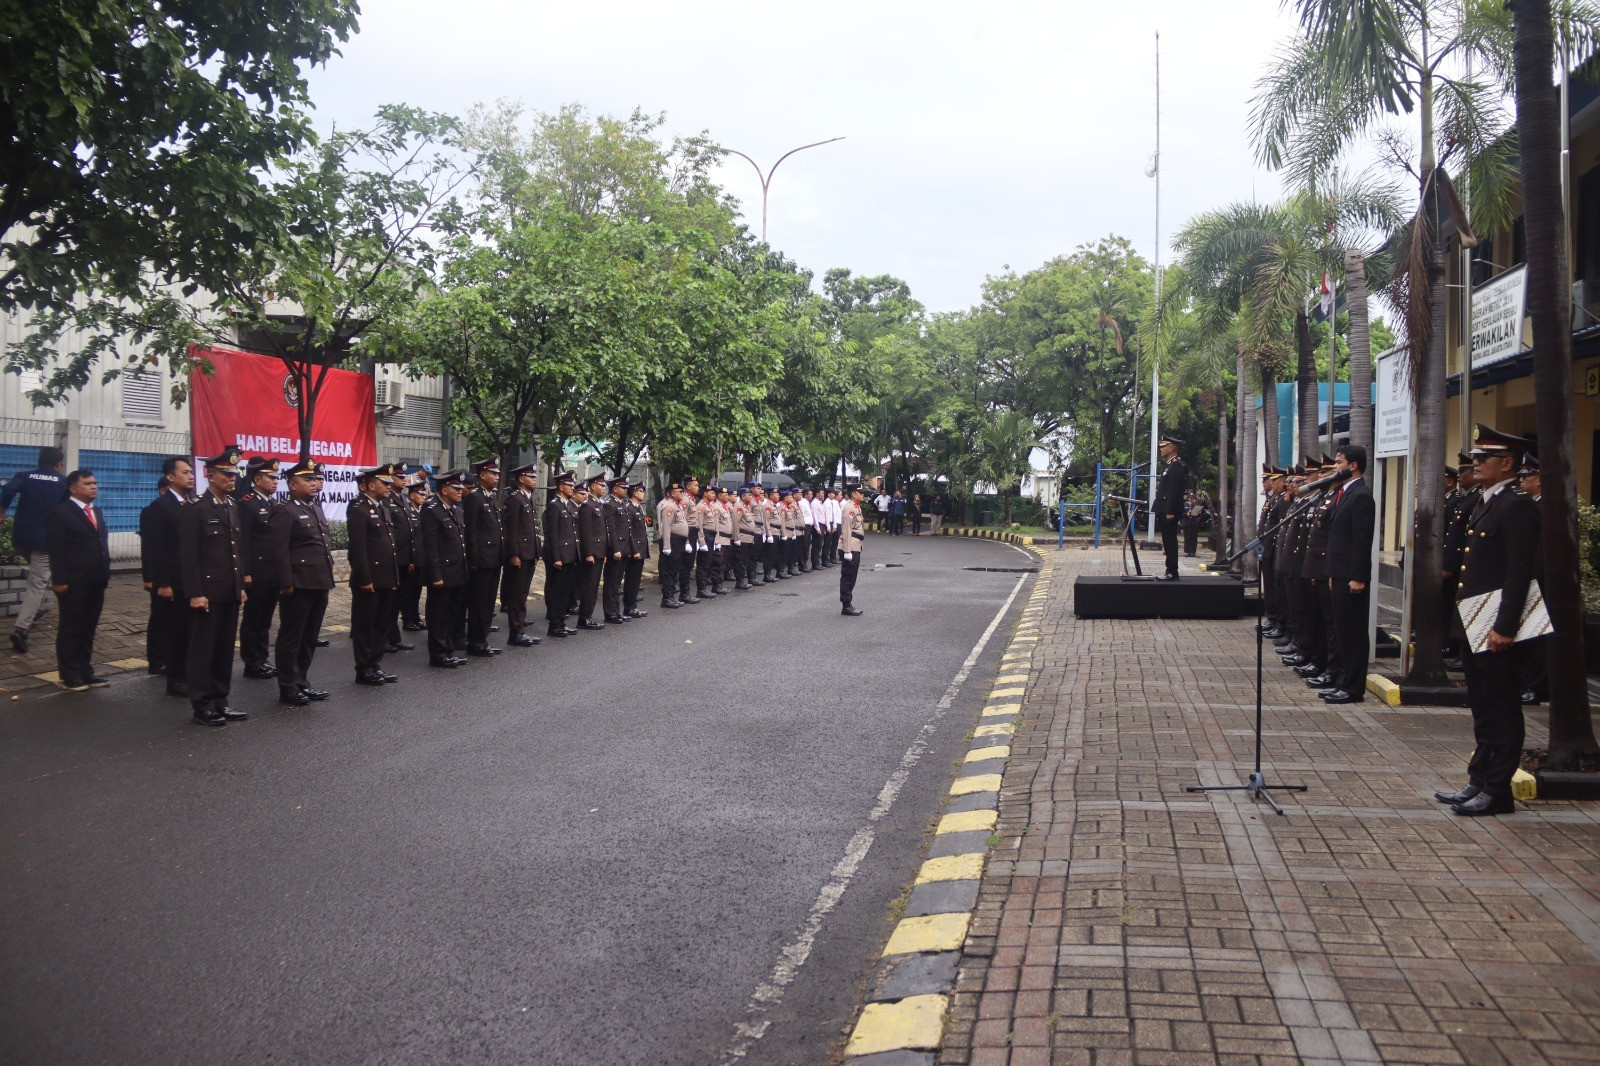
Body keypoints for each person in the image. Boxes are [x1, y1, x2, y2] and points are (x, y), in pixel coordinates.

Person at [1436, 425, 1541, 817]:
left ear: (1508, 463)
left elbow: (1519, 572)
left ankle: (1498, 790)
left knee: (1501, 707)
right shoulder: (1487, 500)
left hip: (1495, 622)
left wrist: (1506, 626)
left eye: (1484, 457)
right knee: (1481, 705)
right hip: (1473, 619)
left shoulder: (1517, 505)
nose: (1475, 462)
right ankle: (1478, 779)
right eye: (1475, 457)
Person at [176, 449, 249, 723]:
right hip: (207, 591)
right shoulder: (196, 508)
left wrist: (239, 584)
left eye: (234, 474)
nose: (232, 478)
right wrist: (195, 592)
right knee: (202, 649)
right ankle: (202, 704)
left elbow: (236, 550)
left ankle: (221, 699)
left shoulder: (231, 506)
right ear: (210, 475)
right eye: (226, 474)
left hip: (228, 589)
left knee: (223, 648)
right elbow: (189, 555)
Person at [268, 460, 336, 705]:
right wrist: (285, 582)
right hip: (298, 584)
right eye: (308, 480)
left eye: (315, 479)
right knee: (292, 636)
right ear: (293, 485)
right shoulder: (285, 511)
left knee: (309, 636)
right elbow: (279, 551)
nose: (314, 483)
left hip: (319, 582)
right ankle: (287, 686)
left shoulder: (314, 508)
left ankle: (302, 681)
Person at [45, 468, 110, 693]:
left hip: (96, 580)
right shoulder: (61, 513)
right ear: (73, 488)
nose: (94, 486)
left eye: (95, 483)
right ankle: (70, 673)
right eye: (87, 484)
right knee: (71, 628)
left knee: (88, 628)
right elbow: (56, 549)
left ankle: (85, 670)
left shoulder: (96, 512)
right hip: (73, 581)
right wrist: (59, 579)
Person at [1320, 445, 1374, 705]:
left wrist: (1357, 576)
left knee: (1353, 634)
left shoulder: (1361, 495)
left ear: (1353, 465)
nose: (1335, 467)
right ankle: (1343, 681)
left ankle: (1353, 688)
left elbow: (1362, 541)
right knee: (1342, 632)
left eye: (1339, 463)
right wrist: (1333, 572)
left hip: (1352, 577)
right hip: (1339, 574)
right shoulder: (1344, 493)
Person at [2, 445, 68, 653]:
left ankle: (36, 610)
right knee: (37, 583)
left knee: (42, 575)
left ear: (38, 462)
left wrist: (2, 510)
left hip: (21, 539)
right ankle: (21, 630)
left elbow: (9, 489)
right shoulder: (63, 483)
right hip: (45, 542)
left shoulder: (25, 475)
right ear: (59, 464)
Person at [142, 456, 195, 697]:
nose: (191, 475)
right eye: (185, 472)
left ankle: (188, 673)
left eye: (191, 471)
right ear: (170, 477)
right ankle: (175, 680)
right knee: (175, 631)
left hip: (191, 580)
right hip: (173, 580)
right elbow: (156, 548)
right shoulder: (160, 507)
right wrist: (162, 583)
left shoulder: (191, 504)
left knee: (190, 630)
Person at [346, 465, 401, 686]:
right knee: (365, 625)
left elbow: (390, 547)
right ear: (370, 485)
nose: (388, 486)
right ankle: (363, 668)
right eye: (384, 483)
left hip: (387, 577)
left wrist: (395, 577)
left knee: (382, 624)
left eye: (389, 483)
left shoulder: (383, 509)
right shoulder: (359, 510)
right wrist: (365, 579)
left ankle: (375, 664)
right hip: (370, 580)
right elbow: (358, 550)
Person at [237, 457, 283, 681]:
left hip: (272, 572)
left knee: (265, 618)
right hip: (256, 571)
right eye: (270, 477)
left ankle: (262, 658)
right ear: (256, 479)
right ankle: (252, 662)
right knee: (253, 618)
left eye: (276, 478)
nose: (275, 481)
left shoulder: (273, 504)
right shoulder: (248, 503)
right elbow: (243, 541)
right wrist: (245, 572)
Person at [423, 469, 470, 665]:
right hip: (442, 572)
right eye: (455, 488)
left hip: (457, 571)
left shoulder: (457, 510)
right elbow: (430, 546)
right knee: (438, 615)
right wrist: (435, 575)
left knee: (452, 613)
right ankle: (438, 654)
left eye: (461, 488)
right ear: (443, 490)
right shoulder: (432, 509)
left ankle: (448, 649)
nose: (460, 491)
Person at [463, 459, 505, 656]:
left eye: (497, 474)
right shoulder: (475, 498)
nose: (497, 477)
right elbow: (471, 532)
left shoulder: (490, 497)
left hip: (494, 558)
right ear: (482, 475)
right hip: (482, 560)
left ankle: (482, 638)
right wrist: (474, 560)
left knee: (488, 601)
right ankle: (476, 641)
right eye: (493, 474)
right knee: (479, 602)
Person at [1517, 451, 1548, 706]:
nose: (1521, 480)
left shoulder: (1545, 507)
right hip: (1532, 580)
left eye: (1526, 476)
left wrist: (1531, 580)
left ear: (1539, 480)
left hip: (1541, 582)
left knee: (1537, 638)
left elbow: (1540, 551)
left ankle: (1536, 687)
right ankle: (1530, 683)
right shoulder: (1533, 505)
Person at [499, 463, 543, 647]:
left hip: (529, 553)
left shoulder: (527, 498)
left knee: (523, 593)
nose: (534, 479)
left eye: (534, 476)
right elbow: (511, 529)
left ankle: (519, 629)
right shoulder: (515, 499)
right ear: (520, 479)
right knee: (517, 595)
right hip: (520, 555)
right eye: (530, 477)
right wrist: (514, 554)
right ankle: (515, 633)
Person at [381, 465, 416, 655]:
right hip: (393, 558)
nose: (404, 480)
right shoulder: (386, 500)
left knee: (398, 600)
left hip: (404, 558)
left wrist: (410, 557)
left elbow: (407, 530)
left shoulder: (402, 498)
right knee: (389, 601)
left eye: (404, 477)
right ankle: (385, 637)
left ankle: (394, 637)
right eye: (399, 477)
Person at [542, 471, 580, 634]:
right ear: (561, 486)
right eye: (570, 485)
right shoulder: (554, 505)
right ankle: (554, 625)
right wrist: (556, 557)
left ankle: (561, 622)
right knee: (557, 591)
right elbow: (553, 534)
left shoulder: (568, 505)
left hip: (570, 555)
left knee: (565, 591)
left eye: (573, 485)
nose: (572, 488)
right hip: (560, 557)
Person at [575, 472, 611, 629]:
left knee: (594, 586)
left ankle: (587, 615)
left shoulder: (597, 504)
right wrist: (589, 552)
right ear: (593, 486)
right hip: (592, 552)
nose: (604, 488)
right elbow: (586, 531)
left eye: (604, 485)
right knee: (589, 586)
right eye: (601, 485)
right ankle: (584, 618)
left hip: (598, 551)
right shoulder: (587, 505)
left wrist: (602, 552)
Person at [1153, 433, 1186, 580]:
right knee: (1167, 541)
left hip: (1169, 511)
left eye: (1163, 446)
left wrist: (1170, 511)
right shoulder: (1169, 465)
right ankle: (1170, 570)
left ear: (1171, 448)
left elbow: (1174, 490)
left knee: (1170, 541)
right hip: (1164, 508)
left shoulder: (1176, 466)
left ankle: (1172, 571)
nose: (1161, 449)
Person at [399, 476, 429, 632]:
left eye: (425, 494)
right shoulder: (408, 513)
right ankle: (407, 619)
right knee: (407, 591)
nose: (424, 497)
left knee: (417, 591)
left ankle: (416, 617)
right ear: (412, 496)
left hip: (421, 559)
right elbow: (408, 539)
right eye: (421, 494)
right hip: (411, 559)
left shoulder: (422, 513)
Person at [602, 476, 632, 624]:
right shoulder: (609, 505)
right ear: (615, 489)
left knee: (618, 582)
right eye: (623, 487)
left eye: (626, 488)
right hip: (616, 549)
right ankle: (610, 613)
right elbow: (611, 529)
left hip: (624, 548)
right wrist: (615, 549)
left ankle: (616, 611)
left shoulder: (622, 504)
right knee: (612, 583)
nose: (626, 490)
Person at [656, 483, 689, 608]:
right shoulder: (669, 506)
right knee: (670, 570)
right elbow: (666, 527)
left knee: (674, 570)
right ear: (671, 493)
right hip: (673, 541)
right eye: (679, 491)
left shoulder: (676, 505)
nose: (682, 493)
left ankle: (671, 597)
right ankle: (667, 598)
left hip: (679, 541)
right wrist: (666, 546)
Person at [622, 482, 650, 618]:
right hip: (634, 549)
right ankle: (629, 607)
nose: (643, 493)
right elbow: (629, 532)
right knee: (631, 579)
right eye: (641, 491)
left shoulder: (638, 508)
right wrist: (634, 549)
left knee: (636, 579)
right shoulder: (629, 508)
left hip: (640, 548)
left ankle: (632, 606)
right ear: (634, 493)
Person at [840, 483, 866, 615]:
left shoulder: (856, 507)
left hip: (856, 546)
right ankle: (846, 605)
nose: (863, 494)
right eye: (860, 492)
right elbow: (846, 530)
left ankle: (848, 603)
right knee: (848, 576)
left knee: (852, 576)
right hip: (850, 547)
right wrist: (847, 550)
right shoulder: (849, 508)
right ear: (853, 493)